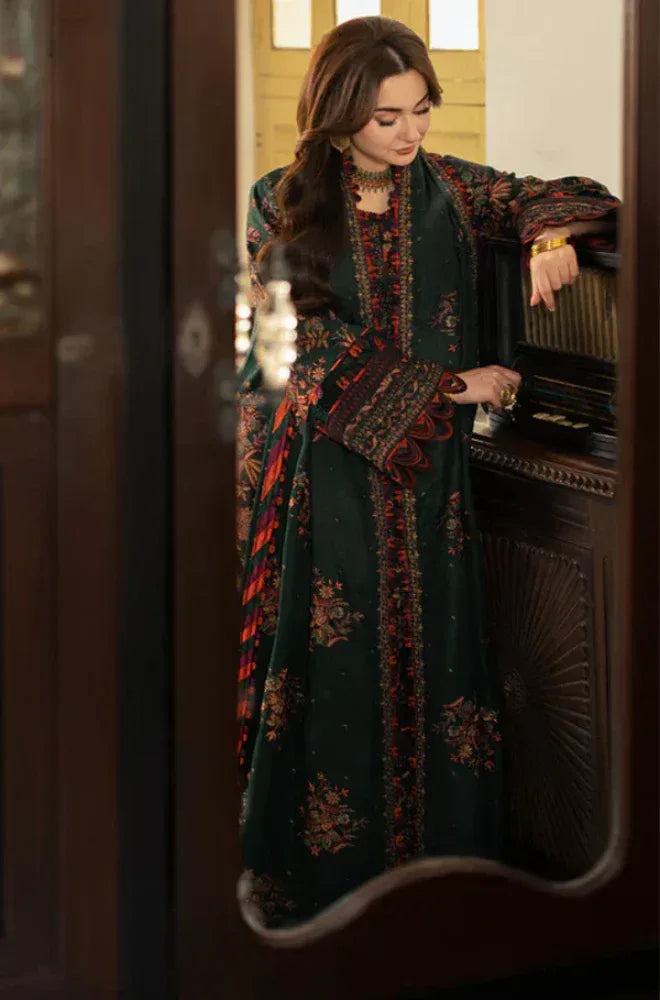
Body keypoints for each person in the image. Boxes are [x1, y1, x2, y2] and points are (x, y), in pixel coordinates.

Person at [236, 16, 618, 928]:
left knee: (436, 657)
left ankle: (438, 884)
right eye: (385, 118)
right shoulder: (277, 201)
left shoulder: (447, 187)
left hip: (427, 483)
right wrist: (452, 384)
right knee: (336, 664)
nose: (409, 134)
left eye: (421, 111)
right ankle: (324, 895)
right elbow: (306, 352)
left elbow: (563, 192)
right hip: (322, 479)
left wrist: (548, 237)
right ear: (336, 117)